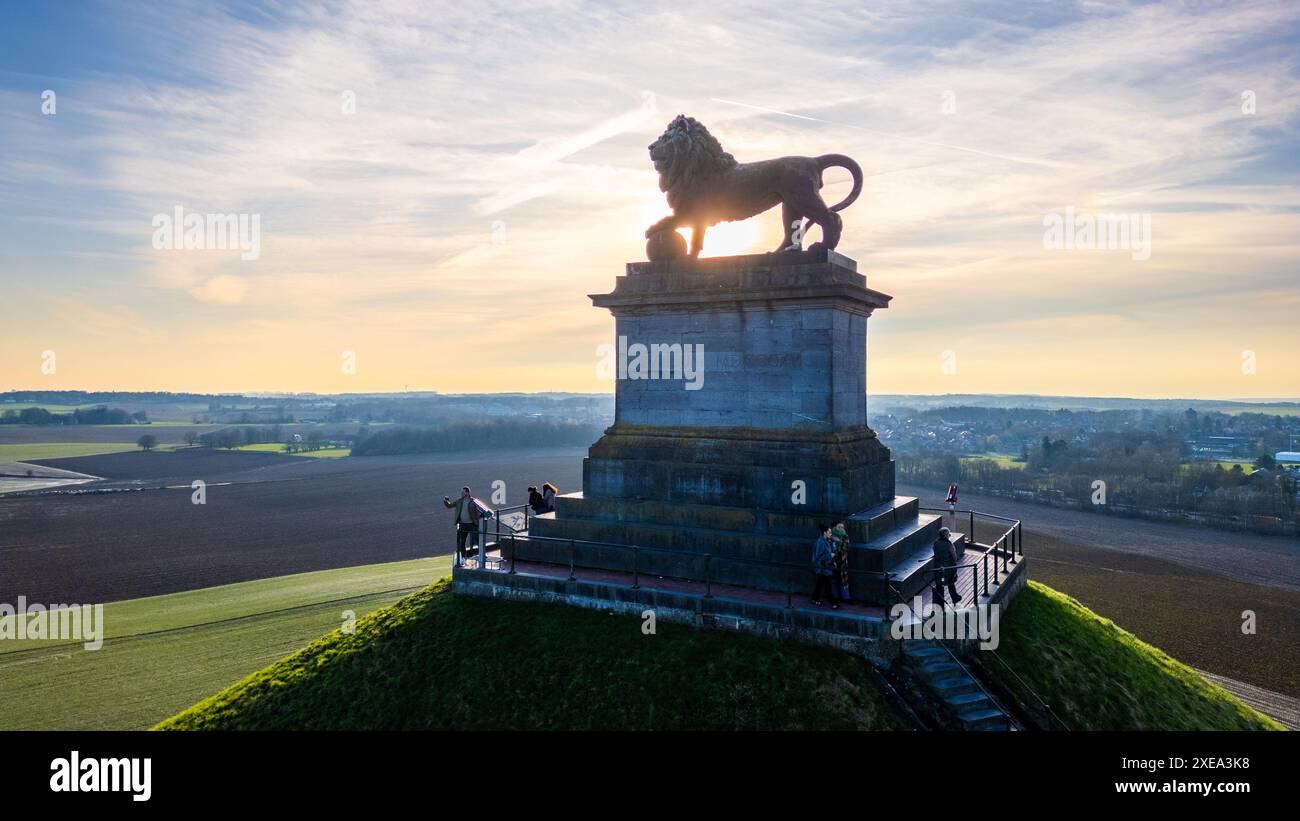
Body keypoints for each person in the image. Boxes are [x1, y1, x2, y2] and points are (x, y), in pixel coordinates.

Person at [443, 486, 481, 560]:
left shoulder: (474, 501)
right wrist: (446, 500)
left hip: (472, 524)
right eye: (461, 492)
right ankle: (463, 557)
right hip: (463, 525)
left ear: (467, 493)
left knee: (477, 540)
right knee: (461, 542)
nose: (461, 493)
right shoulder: (459, 501)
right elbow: (449, 505)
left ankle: (482, 555)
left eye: (463, 492)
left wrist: (478, 517)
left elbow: (481, 510)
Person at [931, 526, 961, 607]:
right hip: (947, 570)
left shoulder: (936, 543)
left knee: (940, 584)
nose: (949, 536)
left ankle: (941, 603)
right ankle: (954, 597)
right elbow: (954, 557)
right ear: (945, 535)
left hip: (938, 569)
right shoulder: (949, 545)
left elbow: (936, 553)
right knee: (950, 582)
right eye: (948, 534)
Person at [811, 523, 837, 609]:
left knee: (820, 584)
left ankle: (814, 598)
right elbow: (819, 556)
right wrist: (830, 556)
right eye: (829, 532)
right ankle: (832, 603)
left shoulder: (826, 541)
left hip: (824, 567)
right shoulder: (821, 542)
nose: (831, 534)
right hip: (822, 568)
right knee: (828, 585)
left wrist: (832, 560)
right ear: (824, 533)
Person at [831, 520, 851, 602]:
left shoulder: (845, 536)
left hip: (842, 561)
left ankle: (846, 597)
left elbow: (846, 548)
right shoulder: (830, 535)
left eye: (842, 527)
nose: (840, 529)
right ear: (835, 527)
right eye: (839, 527)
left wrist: (839, 541)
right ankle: (835, 596)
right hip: (833, 561)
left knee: (844, 579)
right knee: (834, 579)